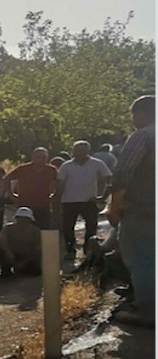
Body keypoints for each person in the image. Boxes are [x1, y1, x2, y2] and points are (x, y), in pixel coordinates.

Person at [105, 95, 155, 325]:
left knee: (142, 256)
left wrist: (114, 208)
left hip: (144, 210)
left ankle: (148, 310)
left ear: (141, 114)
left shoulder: (142, 136)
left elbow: (123, 174)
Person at [55, 140, 112, 257]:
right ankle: (70, 250)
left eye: (82, 151)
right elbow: (60, 184)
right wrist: (57, 200)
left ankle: (88, 250)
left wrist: (103, 197)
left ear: (87, 151)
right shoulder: (66, 166)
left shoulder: (97, 163)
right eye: (77, 151)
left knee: (91, 226)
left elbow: (109, 179)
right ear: (73, 151)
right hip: (69, 201)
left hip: (89, 200)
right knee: (68, 227)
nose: (79, 153)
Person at [3, 147, 58, 229]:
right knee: (23, 229)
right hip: (25, 205)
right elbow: (7, 179)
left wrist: (55, 195)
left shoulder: (51, 170)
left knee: (44, 229)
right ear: (33, 157)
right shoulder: (23, 169)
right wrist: (11, 195)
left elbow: (59, 182)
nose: (40, 160)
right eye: (38, 157)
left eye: (43, 158)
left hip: (43, 205)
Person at [0, 207, 42, 279]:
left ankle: (21, 269)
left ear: (30, 221)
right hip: (10, 254)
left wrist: (24, 261)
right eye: (20, 219)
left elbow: (38, 250)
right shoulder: (8, 228)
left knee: (36, 271)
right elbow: (0, 240)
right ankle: (6, 270)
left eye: (25, 220)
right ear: (16, 219)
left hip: (27, 257)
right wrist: (8, 253)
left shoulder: (36, 232)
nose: (22, 222)